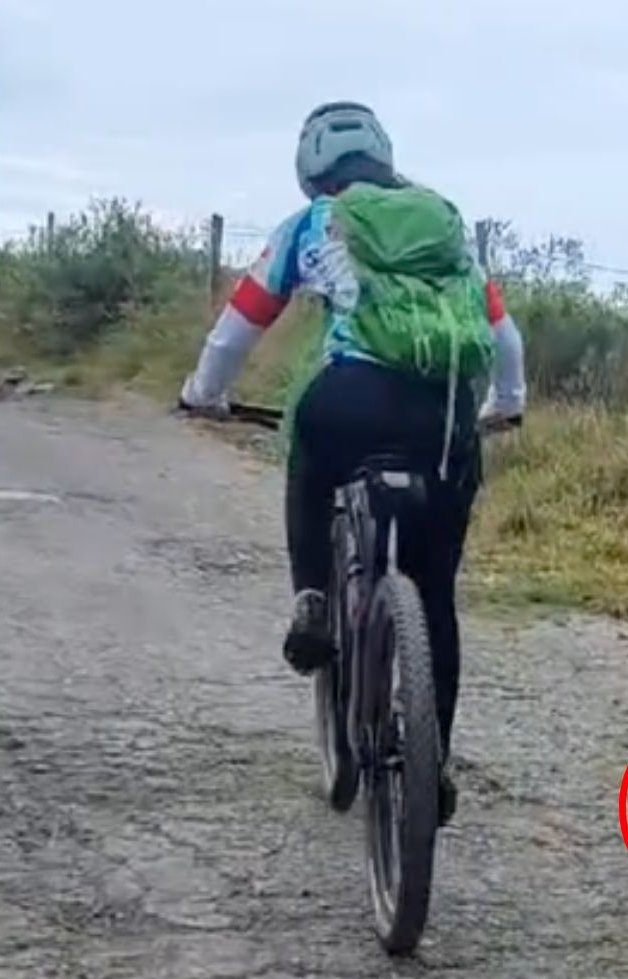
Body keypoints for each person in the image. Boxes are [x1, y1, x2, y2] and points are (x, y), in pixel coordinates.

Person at [177, 101, 526, 823]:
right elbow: (505, 339)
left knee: (309, 455)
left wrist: (204, 395)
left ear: (311, 169)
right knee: (433, 596)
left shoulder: (311, 226)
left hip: (351, 398)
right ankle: (435, 762)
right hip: (446, 420)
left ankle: (312, 599)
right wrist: (504, 406)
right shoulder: (447, 228)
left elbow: (238, 325)